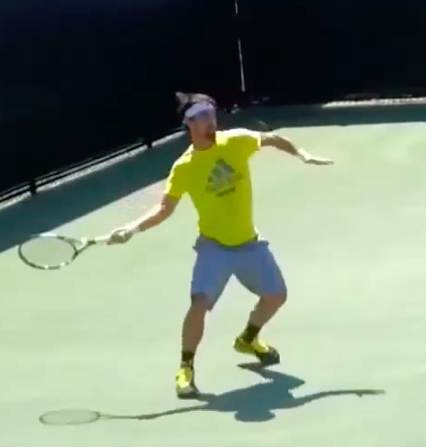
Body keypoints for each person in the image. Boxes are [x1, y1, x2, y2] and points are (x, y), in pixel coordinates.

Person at [107, 92, 334, 399]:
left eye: (211, 114)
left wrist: (302, 154)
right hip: (214, 248)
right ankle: (186, 368)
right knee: (199, 303)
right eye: (201, 116)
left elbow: (272, 139)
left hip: (249, 242)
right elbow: (164, 209)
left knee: (276, 296)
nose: (209, 121)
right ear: (189, 124)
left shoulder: (236, 141)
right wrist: (132, 229)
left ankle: (248, 339)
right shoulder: (184, 168)